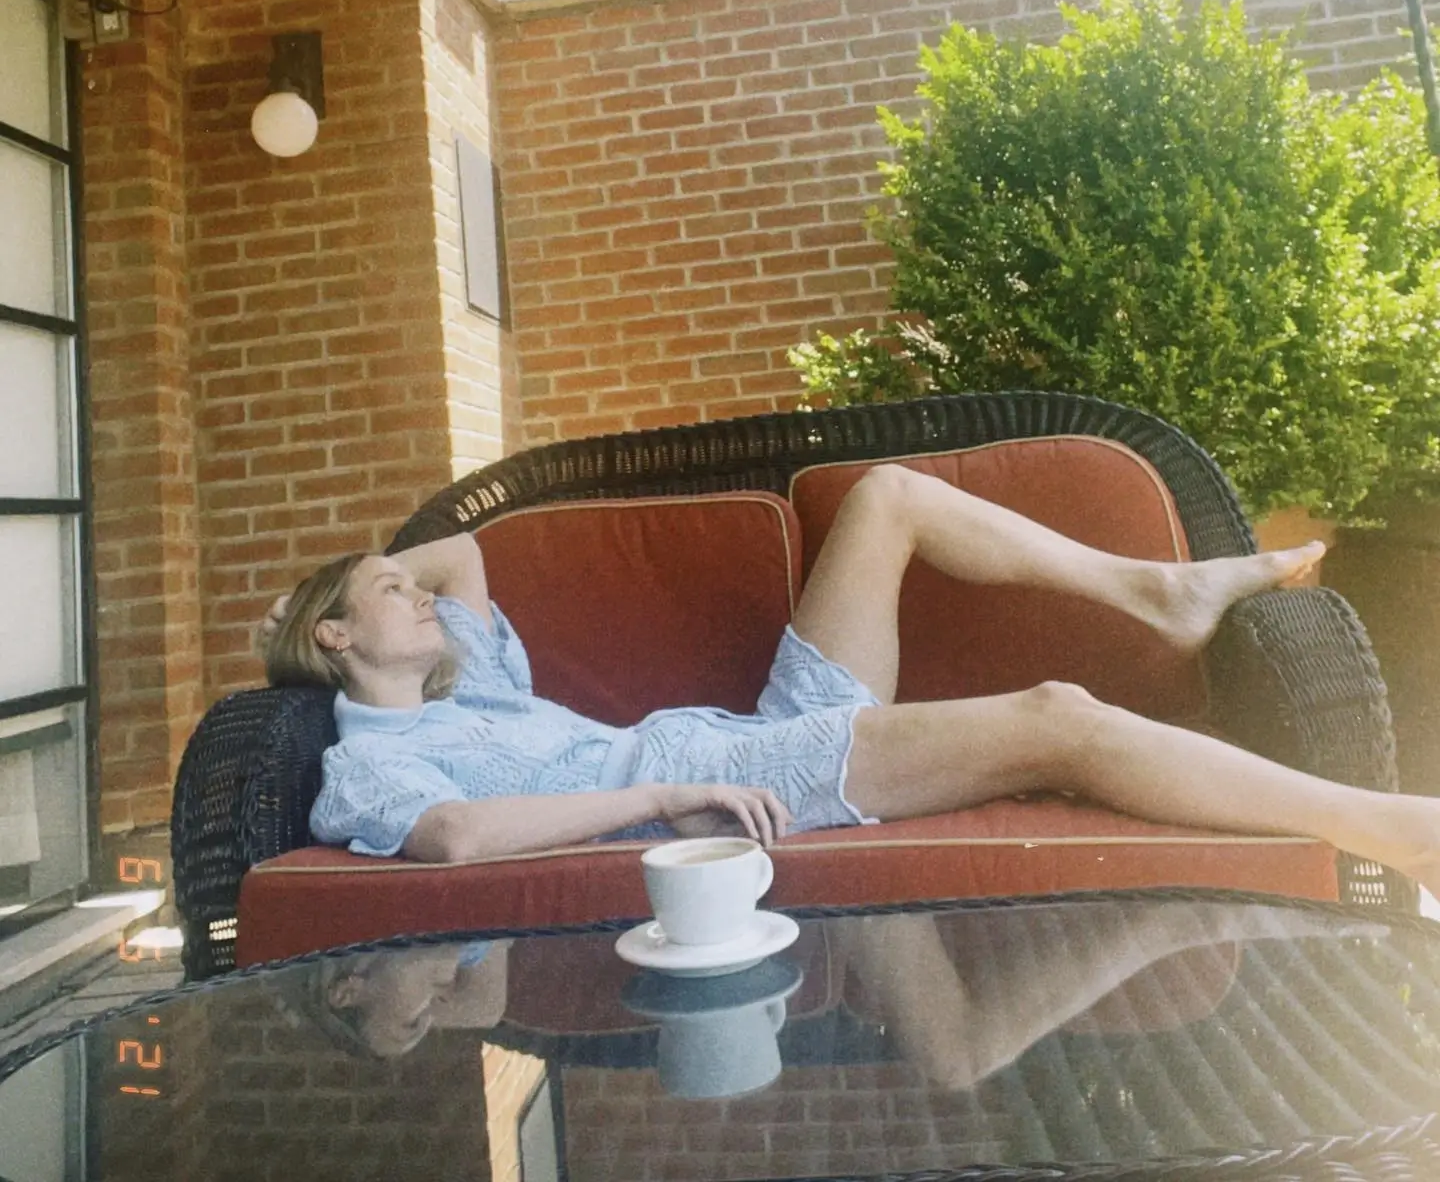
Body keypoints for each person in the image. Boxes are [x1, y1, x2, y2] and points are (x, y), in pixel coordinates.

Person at [261, 468, 1440, 892]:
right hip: (700, 777)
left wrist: (337, 592)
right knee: (1059, 721)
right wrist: (652, 801)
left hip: (737, 738)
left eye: (404, 586)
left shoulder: (476, 687)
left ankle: (1155, 589)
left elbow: (460, 547)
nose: (418, 595)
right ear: (336, 643)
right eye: (388, 594)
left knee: (887, 495)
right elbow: (458, 838)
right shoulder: (368, 763)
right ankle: (1393, 831)